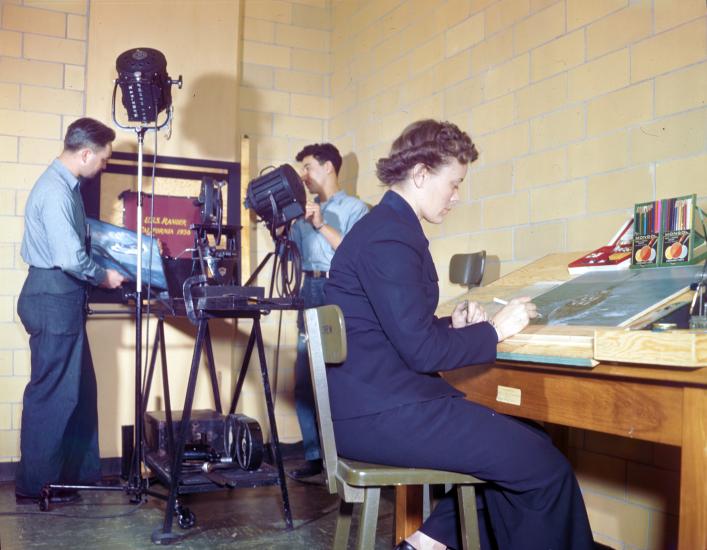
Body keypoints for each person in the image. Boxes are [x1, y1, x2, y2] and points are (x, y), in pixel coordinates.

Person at [325, 120, 594, 549]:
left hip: (376, 402)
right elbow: (421, 353)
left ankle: (428, 542)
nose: (456, 196)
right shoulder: (389, 238)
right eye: (453, 184)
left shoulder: (384, 229)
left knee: (530, 440)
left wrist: (457, 326)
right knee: (544, 467)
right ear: (420, 175)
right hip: (383, 414)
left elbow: (399, 329)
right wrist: (494, 329)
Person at [15, 118, 125, 504]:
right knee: (54, 396)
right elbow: (69, 258)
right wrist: (104, 277)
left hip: (59, 298)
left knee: (76, 391)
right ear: (85, 153)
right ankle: (37, 486)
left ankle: (71, 478)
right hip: (53, 296)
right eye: (104, 159)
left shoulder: (65, 186)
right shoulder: (57, 192)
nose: (104, 166)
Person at [287, 143, 368, 480]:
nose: (304, 176)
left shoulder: (355, 209)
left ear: (329, 167)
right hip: (308, 289)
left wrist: (321, 225)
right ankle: (313, 456)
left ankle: (348, 456)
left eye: (308, 167)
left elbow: (354, 253)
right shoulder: (304, 211)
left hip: (337, 290)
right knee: (304, 378)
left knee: (339, 375)